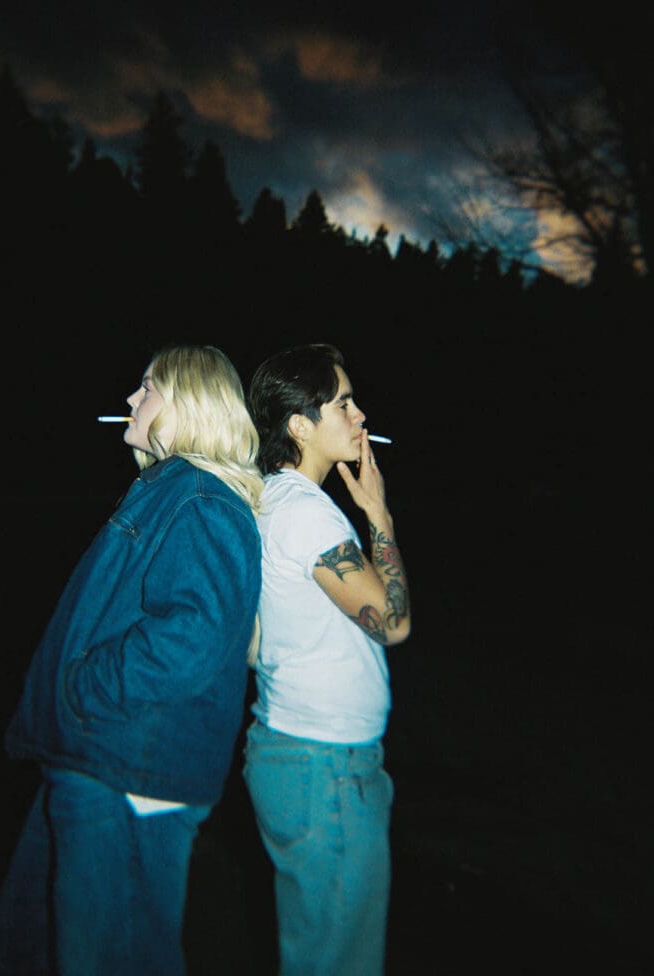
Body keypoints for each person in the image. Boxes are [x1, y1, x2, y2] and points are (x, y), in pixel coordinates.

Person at [0, 344, 264, 976]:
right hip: (95, 755)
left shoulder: (201, 497)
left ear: (190, 401)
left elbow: (192, 636)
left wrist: (86, 687)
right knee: (33, 943)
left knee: (115, 957)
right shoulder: (168, 489)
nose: (131, 399)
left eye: (148, 386)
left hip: (128, 765)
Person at [243, 343, 411, 976]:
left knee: (319, 949)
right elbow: (392, 623)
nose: (360, 415)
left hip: (299, 755)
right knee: (339, 960)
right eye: (343, 403)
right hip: (326, 768)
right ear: (300, 425)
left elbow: (256, 641)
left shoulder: (271, 500)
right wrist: (379, 513)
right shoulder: (307, 513)